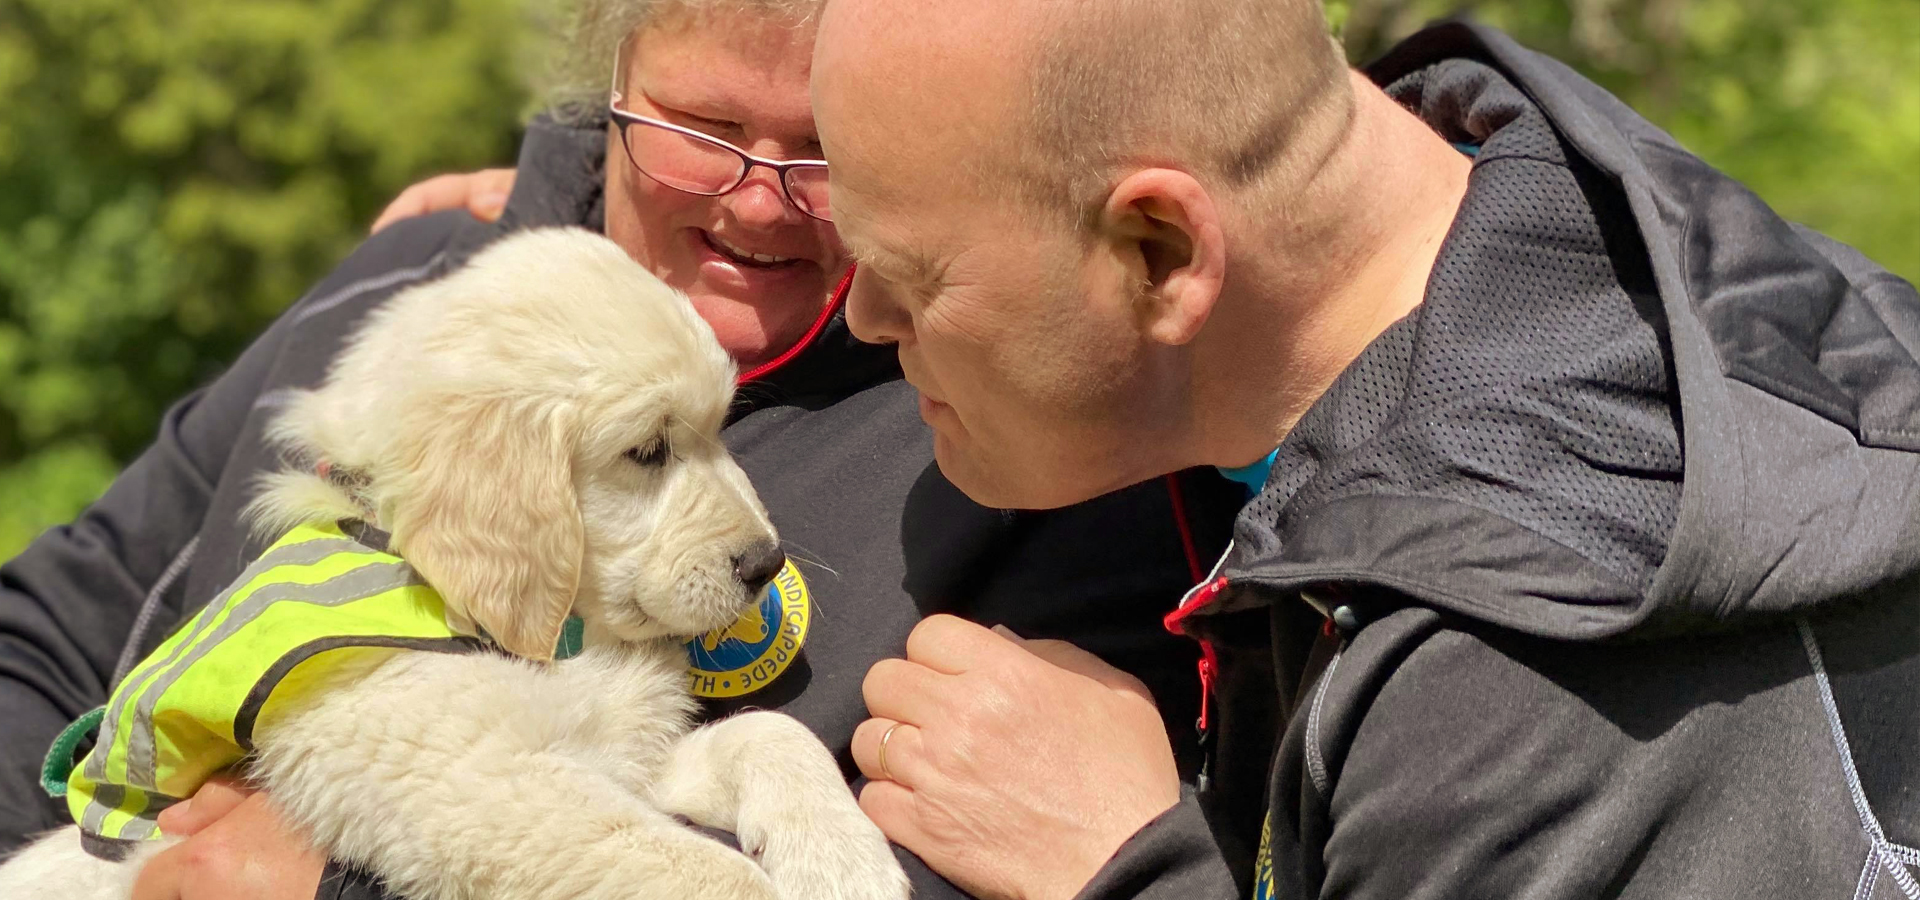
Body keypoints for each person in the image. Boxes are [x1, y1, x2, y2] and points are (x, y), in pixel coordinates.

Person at [0, 1, 1245, 898]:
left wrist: (342, 888)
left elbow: (1027, 854)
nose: (760, 199)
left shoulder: (1031, 437)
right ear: (612, 79)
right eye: (699, 123)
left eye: (823, 148)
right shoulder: (412, 296)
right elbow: (48, 638)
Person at [801, 2, 1920, 899]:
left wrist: (1130, 861)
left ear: (1161, 252)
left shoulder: (1522, 684)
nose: (864, 321)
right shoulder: (1544, 193)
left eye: (919, 276)